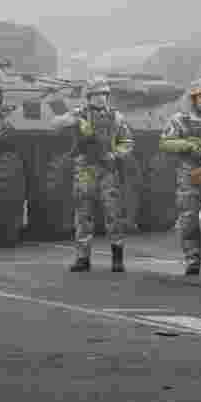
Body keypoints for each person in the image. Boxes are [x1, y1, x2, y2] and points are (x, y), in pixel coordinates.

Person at [53, 78, 134, 273]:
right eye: (97, 95)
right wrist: (74, 120)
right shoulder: (80, 114)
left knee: (113, 214)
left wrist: (115, 155)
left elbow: (128, 142)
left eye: (104, 95)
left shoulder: (116, 117)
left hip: (108, 169)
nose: (101, 99)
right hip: (86, 169)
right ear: (90, 97)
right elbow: (55, 124)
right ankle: (82, 257)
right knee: (83, 215)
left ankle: (117, 258)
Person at [159, 78, 201, 276]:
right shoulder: (180, 119)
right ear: (193, 99)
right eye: (200, 97)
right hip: (190, 174)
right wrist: (187, 145)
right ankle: (193, 259)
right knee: (188, 220)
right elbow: (165, 143)